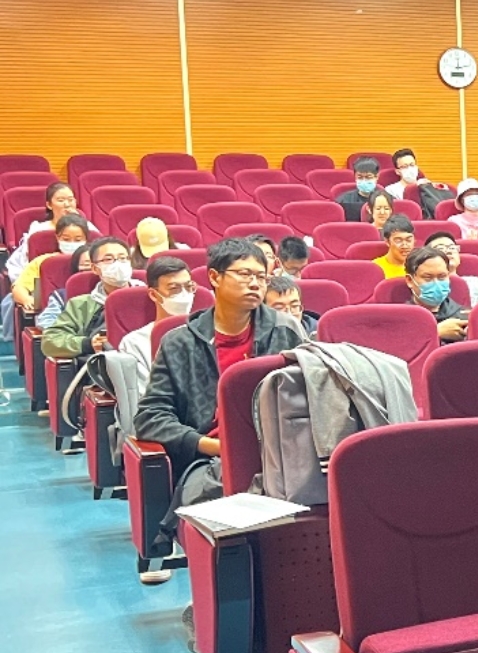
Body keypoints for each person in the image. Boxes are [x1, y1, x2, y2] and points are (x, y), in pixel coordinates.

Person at [134, 237, 305, 577]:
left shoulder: (285, 332)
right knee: (220, 506)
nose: (255, 283)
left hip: (280, 455)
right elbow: (150, 416)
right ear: (214, 277)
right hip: (211, 459)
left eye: (261, 276)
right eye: (244, 274)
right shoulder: (180, 342)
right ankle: (219, 598)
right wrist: (210, 445)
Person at [41, 237, 145, 359]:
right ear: (95, 268)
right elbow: (51, 340)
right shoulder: (81, 304)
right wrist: (88, 344)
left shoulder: (150, 297)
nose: (118, 264)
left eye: (123, 258)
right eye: (109, 259)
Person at [119, 257, 195, 387]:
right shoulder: (134, 343)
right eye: (174, 289)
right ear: (154, 295)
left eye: (189, 287)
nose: (184, 295)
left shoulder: (208, 332)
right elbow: (143, 392)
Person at [6, 181, 95, 282]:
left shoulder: (88, 226)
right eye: (61, 200)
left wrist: (78, 221)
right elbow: (24, 260)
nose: (67, 204)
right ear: (49, 205)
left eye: (70, 200)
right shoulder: (38, 229)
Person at [11, 213, 90, 313]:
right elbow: (19, 287)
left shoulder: (94, 260)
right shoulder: (43, 261)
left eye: (78, 239)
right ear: (57, 238)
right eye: (66, 239)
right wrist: (27, 300)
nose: (72, 243)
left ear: (86, 239)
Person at [405, 245, 467, 343]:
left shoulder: (464, 315)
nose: (436, 283)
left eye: (442, 277)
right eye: (428, 278)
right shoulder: (401, 318)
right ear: (410, 280)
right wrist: (435, 332)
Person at [35, 241, 94, 330]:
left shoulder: (112, 294)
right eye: (86, 264)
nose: (93, 269)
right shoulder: (62, 296)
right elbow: (46, 321)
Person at [425, 230, 478, 305]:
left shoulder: (477, 284)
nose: (449, 251)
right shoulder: (425, 287)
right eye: (441, 248)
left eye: (452, 248)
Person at [336, 156, 383, 223]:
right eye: (360, 177)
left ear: (377, 176)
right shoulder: (343, 200)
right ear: (355, 177)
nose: (364, 181)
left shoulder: (387, 199)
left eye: (368, 177)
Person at [373, 214, 415, 280]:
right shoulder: (376, 267)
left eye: (409, 240)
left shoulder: (420, 266)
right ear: (387, 241)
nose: (405, 245)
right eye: (398, 241)